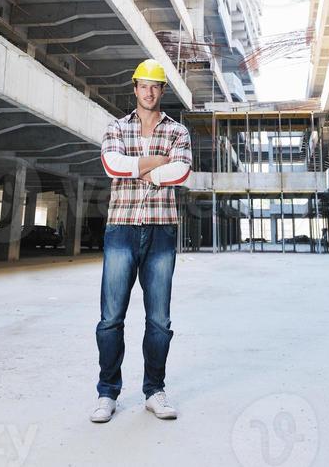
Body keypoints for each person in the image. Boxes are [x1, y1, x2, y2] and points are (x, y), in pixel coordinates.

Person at [90, 60, 192, 424]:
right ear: (134, 88)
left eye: (155, 86)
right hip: (121, 229)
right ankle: (107, 393)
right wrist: (154, 163)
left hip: (162, 230)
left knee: (159, 320)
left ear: (162, 90)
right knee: (110, 318)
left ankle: (155, 390)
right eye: (143, 86)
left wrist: (141, 169)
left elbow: (181, 170)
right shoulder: (115, 127)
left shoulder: (179, 131)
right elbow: (112, 166)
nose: (149, 92)